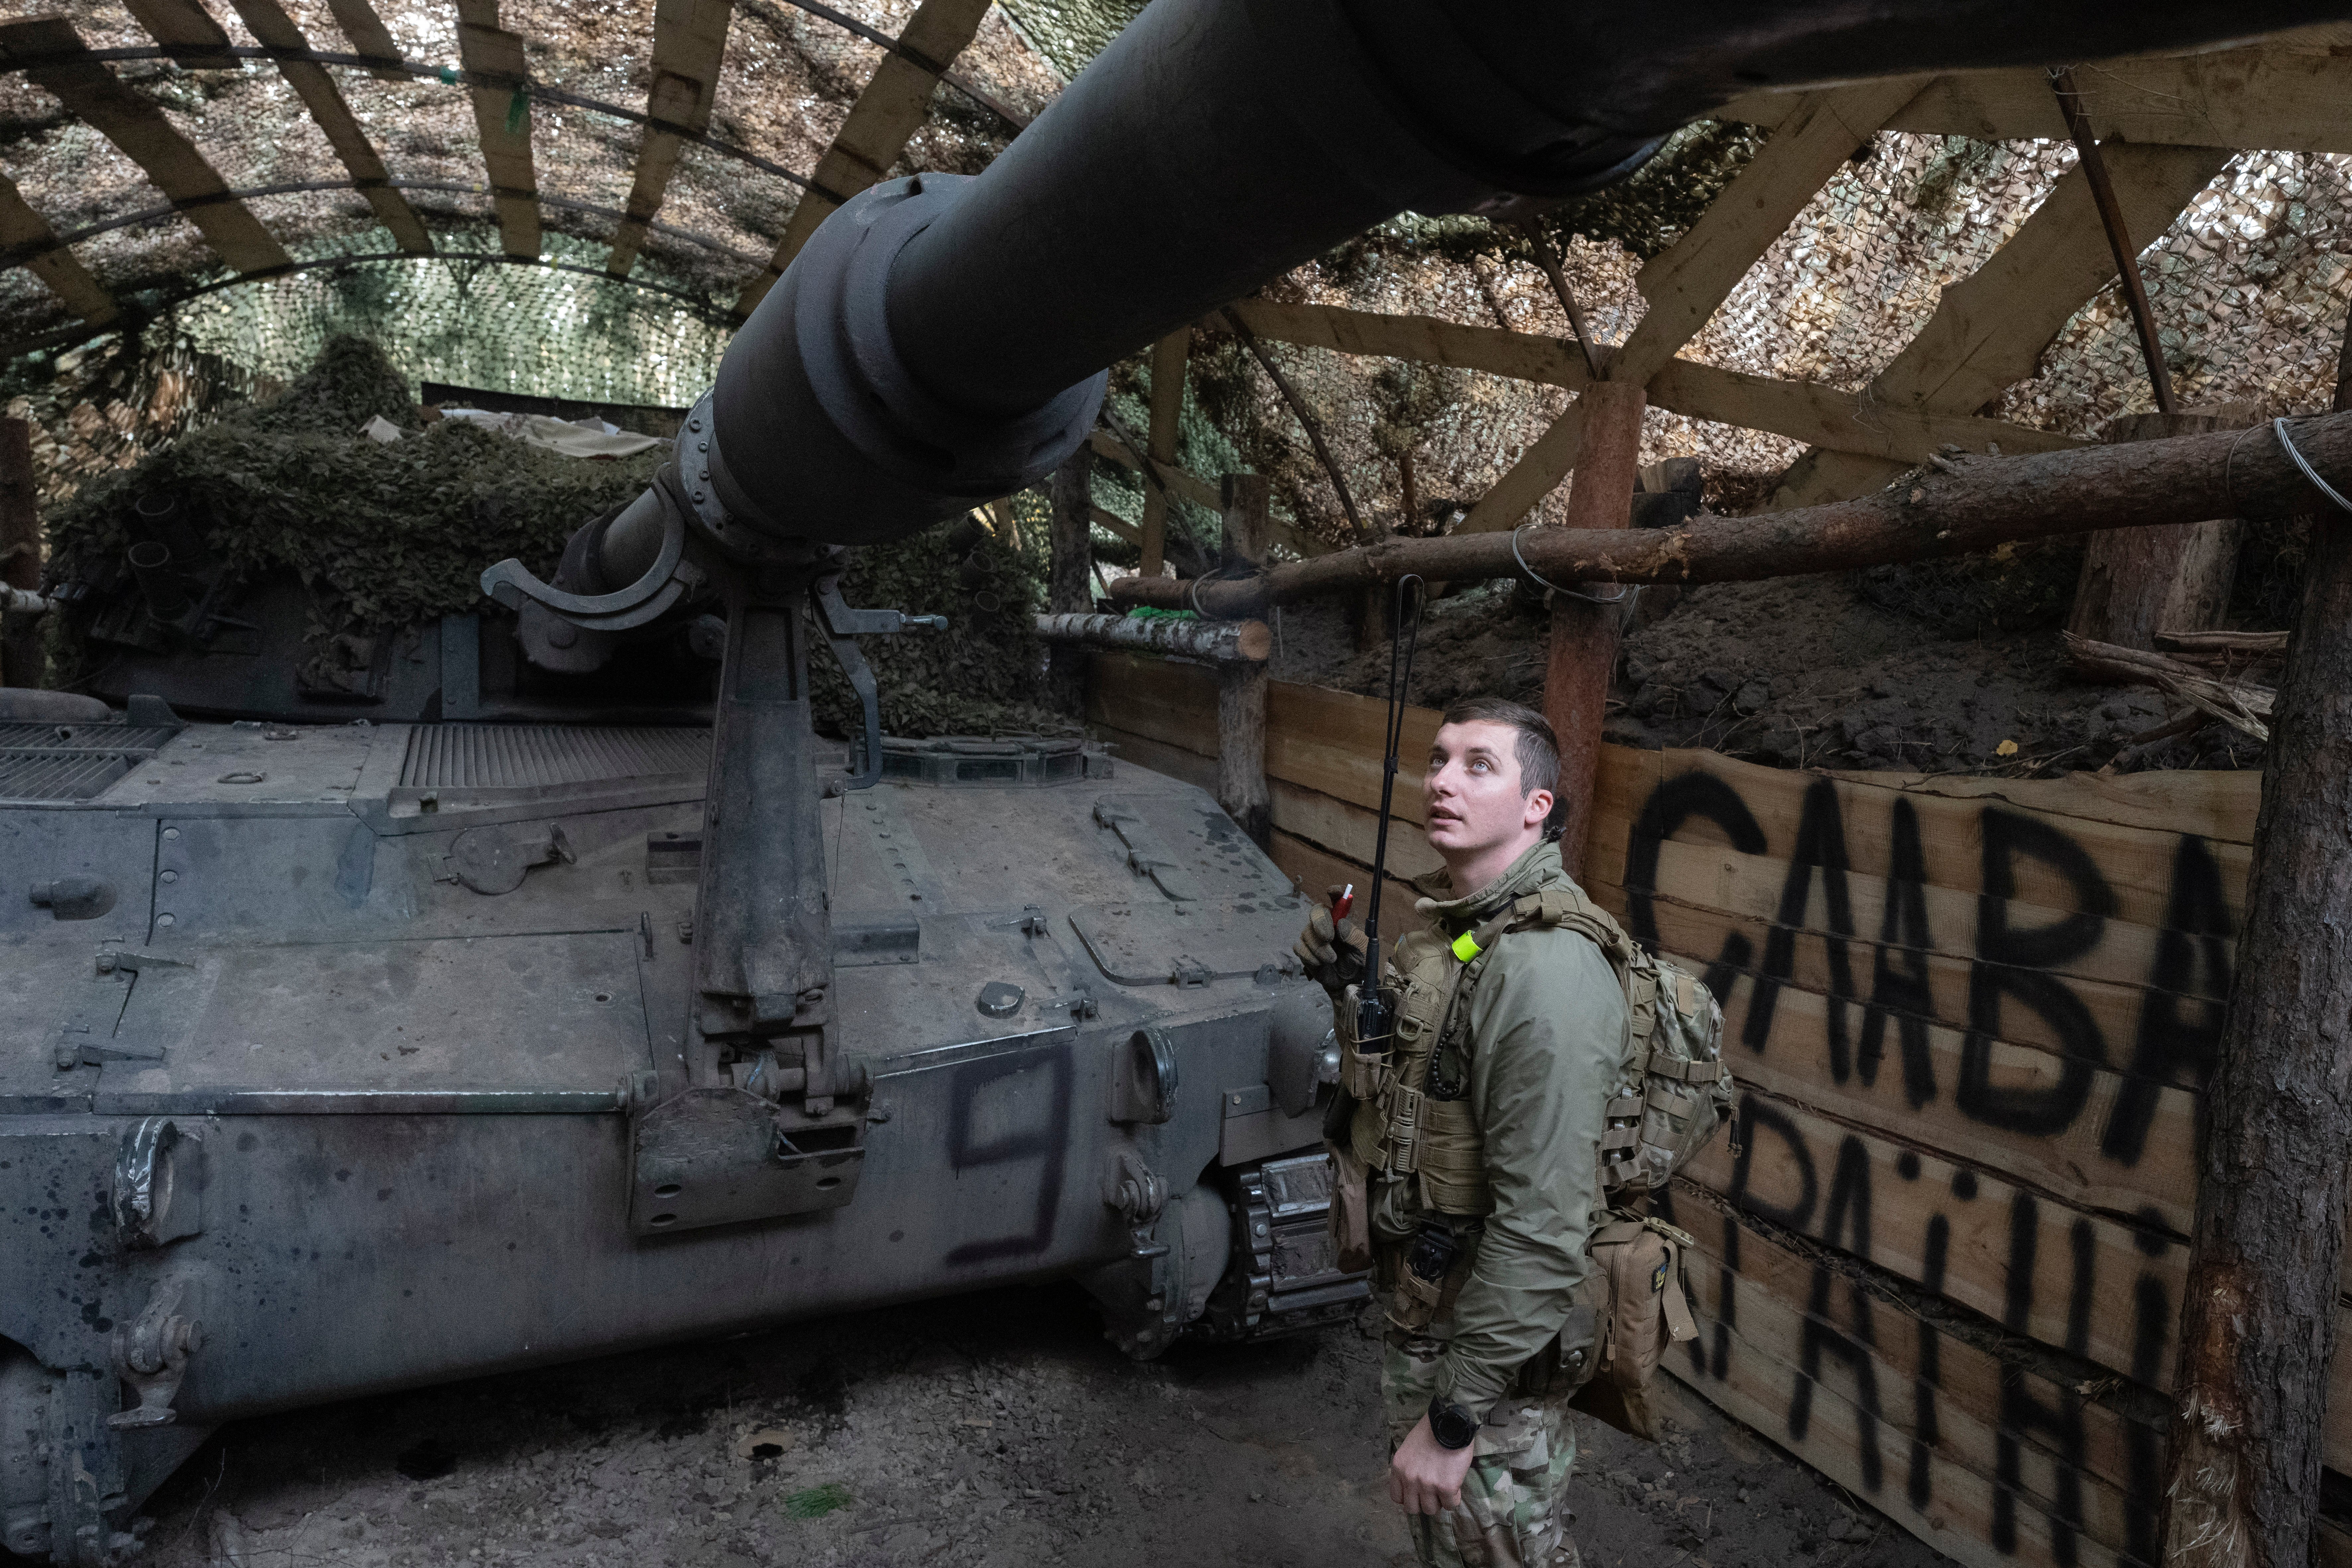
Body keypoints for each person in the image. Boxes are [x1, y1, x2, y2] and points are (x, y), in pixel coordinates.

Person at [1296, 695, 1628, 1568]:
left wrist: (1454, 1419)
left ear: (1536, 806)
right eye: (1438, 759)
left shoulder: (1547, 969)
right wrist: (1348, 977)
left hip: (1491, 1363)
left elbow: (1546, 1228)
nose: (1441, 778)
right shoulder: (1473, 937)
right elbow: (1430, 1058)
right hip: (1436, 1316)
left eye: (1478, 763)